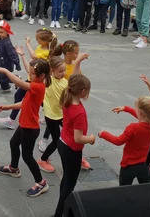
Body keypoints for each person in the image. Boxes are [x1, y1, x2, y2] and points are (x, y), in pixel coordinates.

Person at [0, 58, 51, 198]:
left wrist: (6, 71)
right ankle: (14, 168)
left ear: (42, 76)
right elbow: (24, 103)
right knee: (13, 143)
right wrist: (9, 107)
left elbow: (19, 83)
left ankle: (41, 182)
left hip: (30, 129)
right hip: (24, 125)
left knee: (27, 156)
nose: (29, 75)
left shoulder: (38, 87)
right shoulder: (34, 85)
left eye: (32, 73)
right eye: (29, 72)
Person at [53, 74, 96, 217]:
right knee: (70, 183)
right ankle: (61, 212)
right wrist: (90, 138)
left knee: (66, 178)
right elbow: (78, 138)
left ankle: (62, 209)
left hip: (62, 143)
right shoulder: (79, 113)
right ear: (83, 91)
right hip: (72, 150)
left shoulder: (67, 98)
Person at [99, 96, 150, 185]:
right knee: (146, 189)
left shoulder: (133, 128)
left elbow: (118, 141)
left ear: (141, 112)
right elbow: (144, 118)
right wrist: (126, 109)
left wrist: (103, 134)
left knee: (124, 190)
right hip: (144, 165)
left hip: (129, 166)